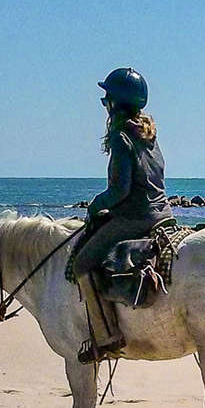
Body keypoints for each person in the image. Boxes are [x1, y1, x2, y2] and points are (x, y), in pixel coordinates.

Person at [70, 68, 171, 363]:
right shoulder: (148, 134)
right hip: (163, 215)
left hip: (135, 217)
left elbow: (119, 190)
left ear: (115, 103)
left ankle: (106, 337)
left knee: (82, 264)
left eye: (106, 99)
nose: (105, 104)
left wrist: (95, 205)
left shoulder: (121, 137)